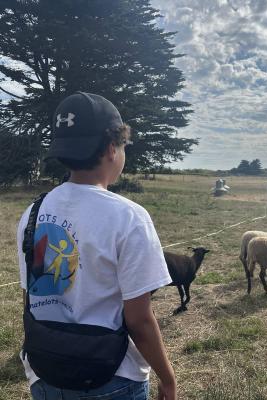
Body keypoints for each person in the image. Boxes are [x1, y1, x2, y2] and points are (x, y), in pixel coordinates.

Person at [17, 92, 177, 400]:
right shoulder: (129, 217)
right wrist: (167, 379)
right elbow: (139, 320)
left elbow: (31, 297)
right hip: (112, 377)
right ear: (110, 150)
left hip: (45, 372)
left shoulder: (33, 212)